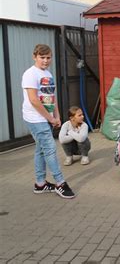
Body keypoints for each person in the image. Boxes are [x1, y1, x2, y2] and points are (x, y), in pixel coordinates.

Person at [22, 44, 75, 199]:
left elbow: (51, 97)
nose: (45, 61)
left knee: (41, 149)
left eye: (48, 57)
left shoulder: (47, 73)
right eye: (42, 57)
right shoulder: (30, 74)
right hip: (35, 118)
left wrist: (57, 116)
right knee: (50, 149)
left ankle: (40, 184)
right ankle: (60, 183)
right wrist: (50, 118)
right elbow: (33, 100)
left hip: (46, 118)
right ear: (34, 57)